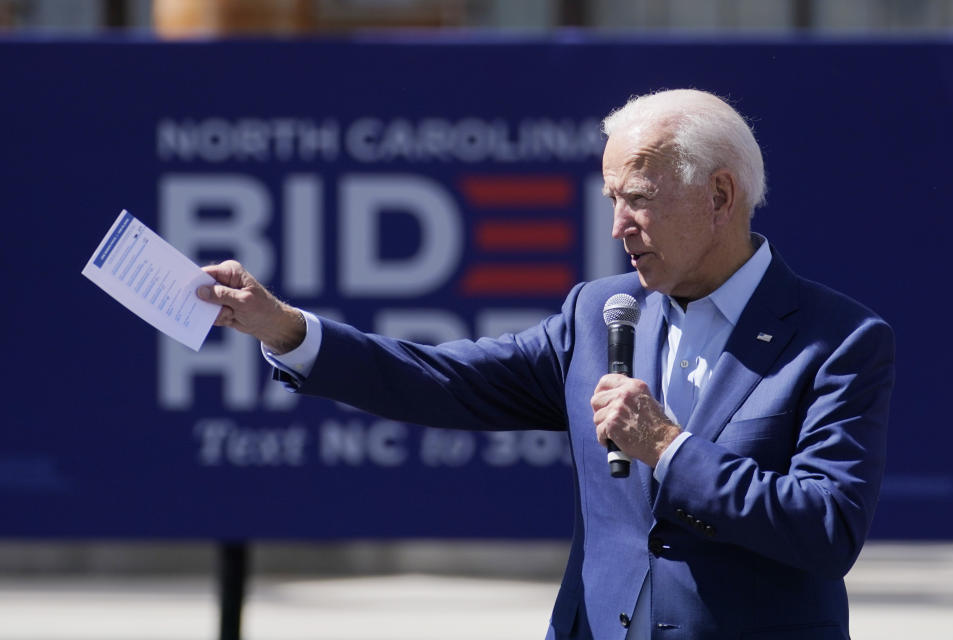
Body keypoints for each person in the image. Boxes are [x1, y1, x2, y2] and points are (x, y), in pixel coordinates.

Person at [197, 89, 894, 639]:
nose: (618, 226)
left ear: (718, 195)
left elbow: (826, 528)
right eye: (613, 200)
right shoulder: (598, 313)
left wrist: (670, 449)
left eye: (640, 200)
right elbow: (443, 381)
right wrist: (285, 329)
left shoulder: (838, 338)